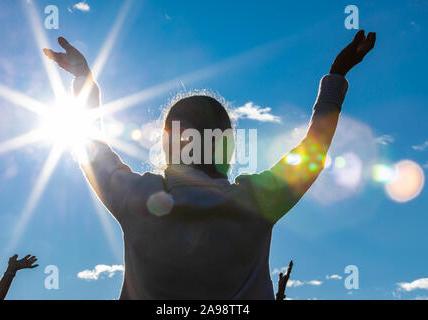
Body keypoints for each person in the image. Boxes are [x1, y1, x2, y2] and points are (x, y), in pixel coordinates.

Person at [43, 30, 375, 299]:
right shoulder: (257, 200)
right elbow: (313, 150)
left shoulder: (134, 197)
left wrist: (84, 79)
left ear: (168, 144)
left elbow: (90, 146)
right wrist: (336, 76)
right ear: (225, 147)